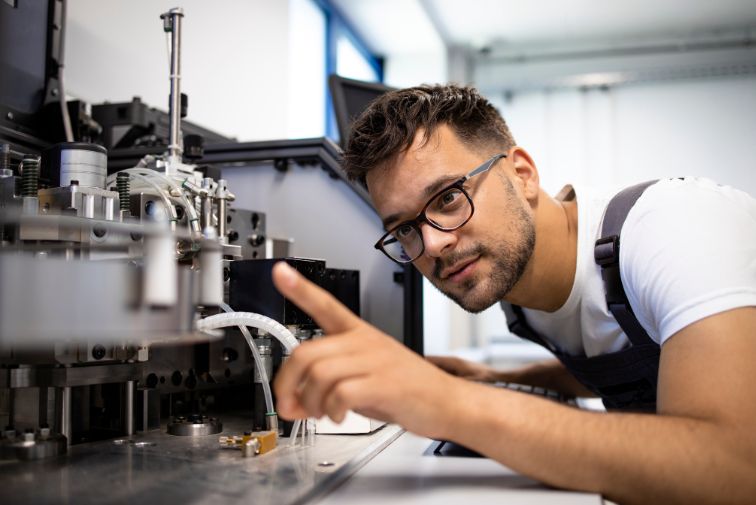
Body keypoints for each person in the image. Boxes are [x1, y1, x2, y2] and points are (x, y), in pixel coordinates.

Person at [270, 84, 756, 504]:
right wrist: (495, 377)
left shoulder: (670, 228)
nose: (434, 242)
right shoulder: (517, 287)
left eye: (447, 198)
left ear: (522, 174)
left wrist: (450, 401)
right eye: (405, 230)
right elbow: (629, 363)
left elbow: (737, 469)